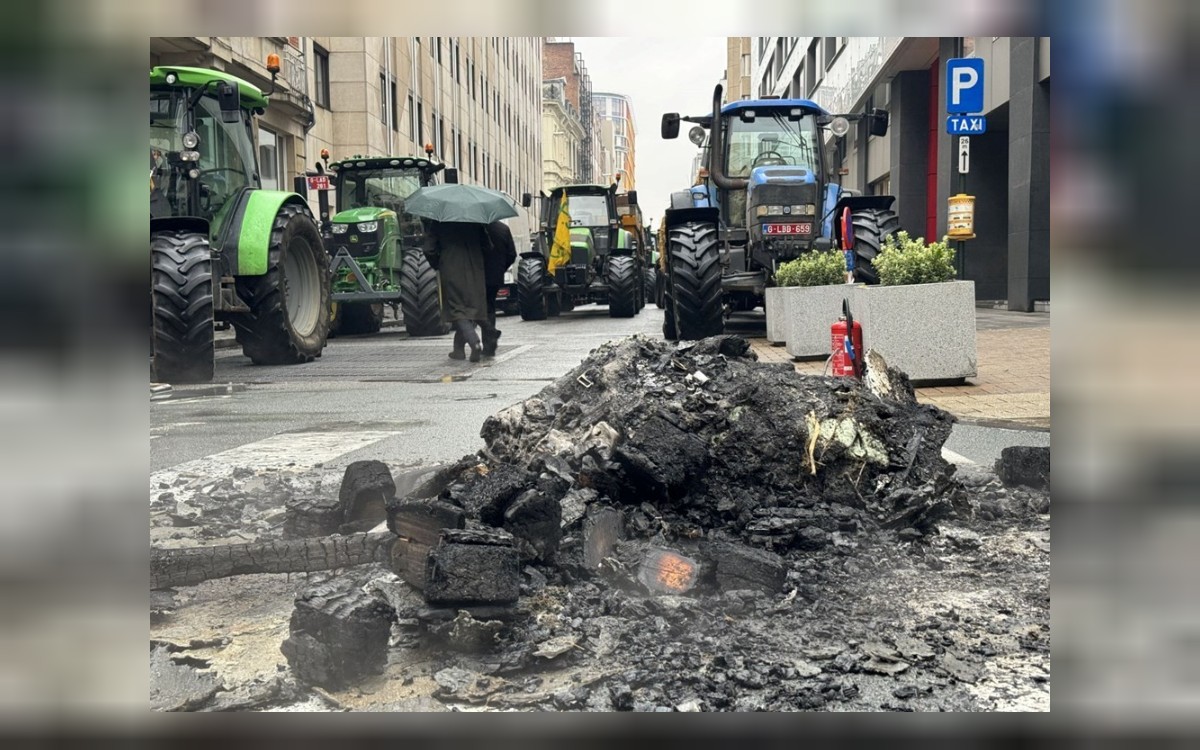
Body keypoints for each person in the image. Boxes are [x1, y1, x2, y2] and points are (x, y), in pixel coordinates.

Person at [421, 219, 489, 362]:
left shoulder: (439, 223)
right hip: (475, 270)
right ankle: (458, 350)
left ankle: (474, 342)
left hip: (451, 268)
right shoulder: (475, 222)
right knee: (470, 308)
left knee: (457, 309)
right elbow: (488, 246)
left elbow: (428, 249)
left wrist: (438, 263)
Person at [481, 220, 518, 357]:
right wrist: (501, 268)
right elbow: (512, 254)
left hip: (477, 275)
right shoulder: (503, 228)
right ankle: (489, 347)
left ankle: (488, 334)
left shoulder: (476, 228)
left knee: (474, 308)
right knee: (490, 307)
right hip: (496, 276)